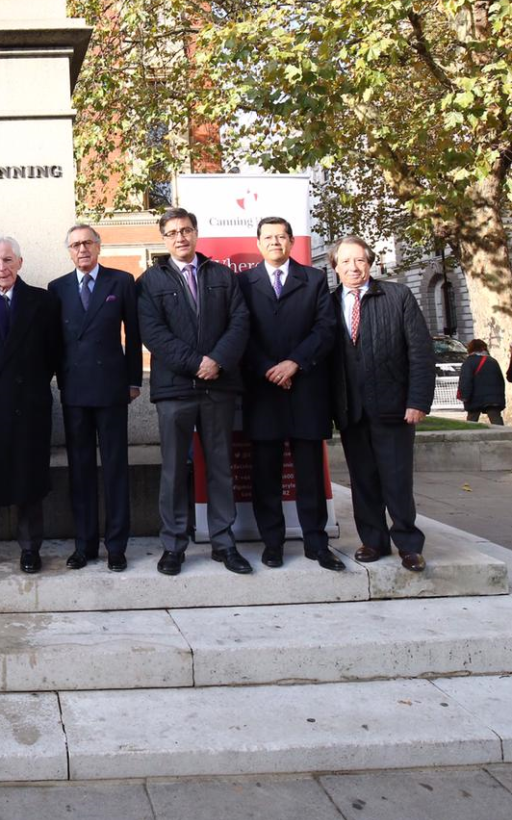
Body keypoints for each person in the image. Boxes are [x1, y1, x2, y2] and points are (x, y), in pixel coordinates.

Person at [137, 207, 250, 575]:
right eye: (171, 233)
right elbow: (154, 334)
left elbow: (240, 322)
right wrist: (196, 363)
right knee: (172, 470)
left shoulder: (222, 275)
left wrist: (216, 360)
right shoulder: (150, 281)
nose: (180, 237)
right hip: (174, 391)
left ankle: (224, 542)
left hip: (219, 387)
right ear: (163, 239)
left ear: (196, 233)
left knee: (220, 468)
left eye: (185, 230)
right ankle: (173, 545)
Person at [238, 217, 345, 571]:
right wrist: (270, 367)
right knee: (265, 474)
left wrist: (294, 364)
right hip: (263, 389)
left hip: (305, 388)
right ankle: (273, 544)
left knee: (310, 474)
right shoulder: (243, 282)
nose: (275, 242)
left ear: (291, 241)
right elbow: (240, 331)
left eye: (281, 236)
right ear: (258, 243)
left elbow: (325, 328)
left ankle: (317, 542)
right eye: (268, 237)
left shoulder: (313, 279)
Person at [330, 236, 434, 571]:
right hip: (351, 410)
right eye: (345, 262)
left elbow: (420, 352)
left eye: (359, 260)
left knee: (397, 479)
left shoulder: (397, 296)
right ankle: (373, 541)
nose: (353, 268)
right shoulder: (328, 304)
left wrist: (417, 400)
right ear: (335, 267)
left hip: (393, 407)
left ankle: (408, 544)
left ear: (370, 263)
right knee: (363, 480)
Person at [0, 236, 62, 573]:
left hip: (28, 403)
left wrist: (33, 385)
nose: (2, 268)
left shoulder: (43, 302)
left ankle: (30, 547)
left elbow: (53, 353)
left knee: (29, 477)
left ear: (20, 262)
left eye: (8, 260)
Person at [52, 223, 142, 571]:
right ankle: (84, 545)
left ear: (98, 247)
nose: (82, 249)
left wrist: (134, 380)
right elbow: (55, 344)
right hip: (75, 390)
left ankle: (116, 545)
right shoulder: (57, 288)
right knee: (80, 471)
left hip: (112, 389)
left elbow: (133, 335)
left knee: (116, 468)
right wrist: (61, 381)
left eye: (88, 242)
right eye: (75, 245)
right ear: (69, 251)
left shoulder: (120, 282)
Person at [459, 339, 506, 425]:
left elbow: (465, 380)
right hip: (493, 397)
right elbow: (500, 381)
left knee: (471, 421)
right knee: (496, 419)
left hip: (474, 398)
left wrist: (464, 396)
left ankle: (470, 437)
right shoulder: (492, 361)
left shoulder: (469, 362)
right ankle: (505, 436)